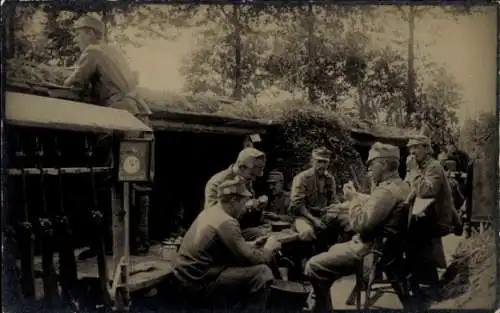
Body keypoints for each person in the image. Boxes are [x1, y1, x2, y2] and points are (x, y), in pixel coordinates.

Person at [64, 14, 153, 256]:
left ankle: (102, 243)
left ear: (92, 33)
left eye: (79, 33)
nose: (77, 39)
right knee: (136, 178)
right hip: (138, 117)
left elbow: (74, 83)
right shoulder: (116, 52)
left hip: (115, 117)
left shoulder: (93, 51)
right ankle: (139, 242)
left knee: (105, 178)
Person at [304, 142, 410, 312]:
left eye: (371, 164)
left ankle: (321, 307)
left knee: (313, 266)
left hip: (369, 253)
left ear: (383, 164)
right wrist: (357, 198)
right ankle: (320, 303)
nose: (369, 169)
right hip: (387, 250)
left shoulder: (386, 191)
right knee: (333, 250)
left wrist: (353, 199)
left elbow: (361, 224)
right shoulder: (401, 185)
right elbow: (376, 204)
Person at [172, 179, 281, 311]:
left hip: (186, 277)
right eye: (243, 202)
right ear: (233, 201)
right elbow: (250, 259)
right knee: (263, 273)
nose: (245, 207)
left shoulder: (210, 212)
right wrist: (269, 249)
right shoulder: (226, 221)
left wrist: (252, 245)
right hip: (199, 283)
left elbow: (226, 247)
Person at [406, 135, 461, 295]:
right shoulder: (420, 166)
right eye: (410, 148)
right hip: (427, 215)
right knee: (407, 228)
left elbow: (426, 192)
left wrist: (414, 171)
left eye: (416, 147)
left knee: (413, 235)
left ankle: (427, 284)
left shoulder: (434, 166)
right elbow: (411, 189)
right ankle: (419, 280)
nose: (412, 151)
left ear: (426, 148)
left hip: (440, 219)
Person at [204, 147, 269, 240]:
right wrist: (248, 207)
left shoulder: (246, 178)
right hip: (219, 234)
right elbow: (213, 217)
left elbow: (245, 209)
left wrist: (257, 206)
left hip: (237, 229)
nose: (254, 179)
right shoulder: (217, 182)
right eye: (252, 175)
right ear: (241, 167)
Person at [289, 147, 339, 251]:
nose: (322, 165)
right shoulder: (302, 178)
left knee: (342, 223)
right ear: (312, 161)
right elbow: (297, 205)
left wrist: (334, 210)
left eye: (325, 162)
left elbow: (333, 199)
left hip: (322, 216)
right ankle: (304, 261)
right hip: (304, 217)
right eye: (319, 161)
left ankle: (328, 256)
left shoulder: (330, 179)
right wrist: (313, 219)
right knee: (307, 232)